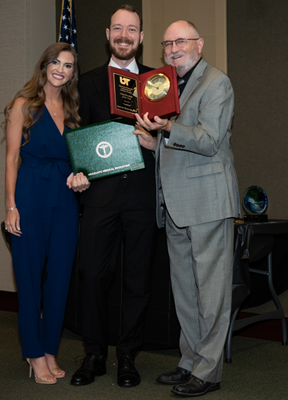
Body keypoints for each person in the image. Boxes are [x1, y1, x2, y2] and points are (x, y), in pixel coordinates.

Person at [134, 20, 241, 397]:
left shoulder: (217, 82)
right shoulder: (169, 85)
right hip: (177, 204)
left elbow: (210, 140)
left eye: (180, 41)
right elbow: (180, 143)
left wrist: (166, 129)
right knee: (185, 291)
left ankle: (208, 372)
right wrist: (155, 143)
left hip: (208, 202)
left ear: (199, 44)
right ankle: (190, 361)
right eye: (166, 44)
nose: (172, 49)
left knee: (211, 292)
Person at [66, 5, 156, 389]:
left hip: (141, 196)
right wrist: (77, 172)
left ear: (140, 37)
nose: (124, 35)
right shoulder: (85, 83)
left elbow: (172, 137)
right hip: (99, 197)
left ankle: (127, 357)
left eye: (131, 29)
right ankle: (94, 354)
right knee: (91, 275)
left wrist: (156, 139)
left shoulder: (157, 81)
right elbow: (75, 136)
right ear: (107, 34)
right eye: (117, 28)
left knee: (137, 278)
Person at [3, 42, 89, 385]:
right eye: (56, 62)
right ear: (44, 65)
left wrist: (81, 178)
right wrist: (11, 206)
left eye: (68, 65)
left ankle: (50, 349)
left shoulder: (72, 109)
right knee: (28, 278)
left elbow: (78, 161)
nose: (61, 69)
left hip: (65, 198)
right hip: (30, 195)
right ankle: (34, 354)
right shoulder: (23, 105)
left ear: (72, 74)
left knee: (60, 278)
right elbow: (11, 158)